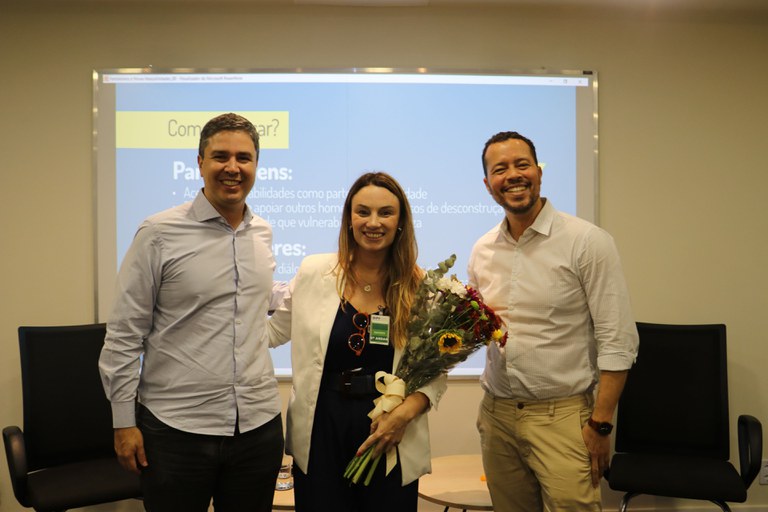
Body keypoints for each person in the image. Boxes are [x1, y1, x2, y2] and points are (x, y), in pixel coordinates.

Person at [99, 113, 286, 512]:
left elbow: (253, 316)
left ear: (256, 165)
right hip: (175, 432)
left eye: (244, 158)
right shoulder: (159, 233)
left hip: (257, 428)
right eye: (220, 156)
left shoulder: (263, 233)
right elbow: (124, 333)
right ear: (199, 162)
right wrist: (122, 421)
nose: (232, 168)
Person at [468, 131, 639, 512]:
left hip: (562, 418)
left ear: (539, 172)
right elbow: (480, 328)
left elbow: (618, 341)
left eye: (522, 164)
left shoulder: (587, 242)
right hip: (497, 416)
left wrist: (600, 425)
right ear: (488, 185)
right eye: (500, 169)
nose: (513, 175)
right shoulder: (482, 250)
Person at [267, 172, 446, 512]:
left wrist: (403, 415)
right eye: (363, 211)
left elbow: (436, 371)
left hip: (388, 427)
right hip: (322, 425)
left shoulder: (420, 286)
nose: (373, 222)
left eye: (385, 213)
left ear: (401, 222)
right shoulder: (314, 271)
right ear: (349, 219)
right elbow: (273, 334)